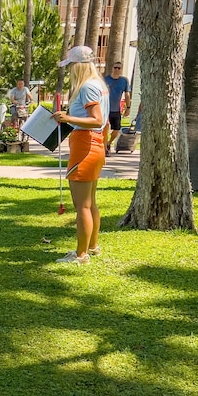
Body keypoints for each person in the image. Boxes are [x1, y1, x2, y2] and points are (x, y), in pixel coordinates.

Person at [52, 45, 109, 265]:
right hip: (95, 145)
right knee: (90, 202)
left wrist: (67, 118)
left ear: (78, 66)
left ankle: (81, 254)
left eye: (71, 66)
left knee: (82, 205)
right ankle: (92, 246)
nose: (69, 71)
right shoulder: (99, 85)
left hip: (85, 145)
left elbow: (96, 119)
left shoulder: (87, 87)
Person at [103, 62, 131, 155]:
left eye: (119, 68)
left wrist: (128, 107)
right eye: (115, 67)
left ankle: (109, 143)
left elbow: (127, 95)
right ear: (112, 68)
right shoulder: (105, 79)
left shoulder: (124, 81)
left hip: (116, 109)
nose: (117, 70)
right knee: (105, 129)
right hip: (105, 109)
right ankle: (105, 149)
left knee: (117, 129)